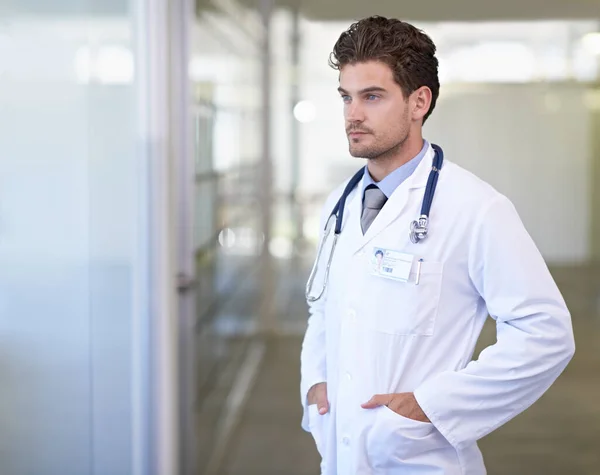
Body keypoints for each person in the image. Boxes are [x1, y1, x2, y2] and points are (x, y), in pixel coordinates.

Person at [299, 15, 575, 475]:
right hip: (340, 453)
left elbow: (544, 333)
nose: (352, 114)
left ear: (418, 102)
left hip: (417, 459)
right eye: (346, 97)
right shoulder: (340, 203)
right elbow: (326, 308)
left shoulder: (475, 208)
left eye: (372, 96)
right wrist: (315, 382)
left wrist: (431, 406)